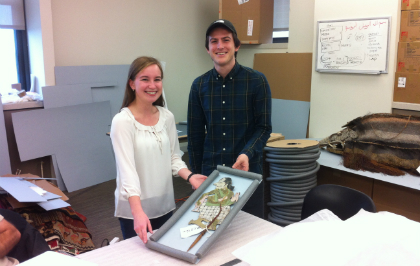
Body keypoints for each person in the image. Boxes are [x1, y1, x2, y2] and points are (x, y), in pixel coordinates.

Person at [110, 56, 207, 244]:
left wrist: (190, 176)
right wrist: (137, 212)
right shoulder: (122, 121)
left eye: (157, 79)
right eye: (145, 79)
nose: (152, 85)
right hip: (135, 210)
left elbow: (174, 158)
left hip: (165, 204)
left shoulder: (167, 117)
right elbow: (127, 171)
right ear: (132, 84)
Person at [187, 19, 272, 217]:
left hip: (247, 172)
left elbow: (264, 127)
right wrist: (195, 174)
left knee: (250, 234)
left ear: (236, 46)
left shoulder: (257, 81)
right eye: (213, 41)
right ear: (207, 49)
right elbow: (195, 135)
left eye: (226, 40)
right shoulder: (199, 86)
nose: (220, 46)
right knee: (210, 232)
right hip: (212, 174)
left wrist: (246, 154)